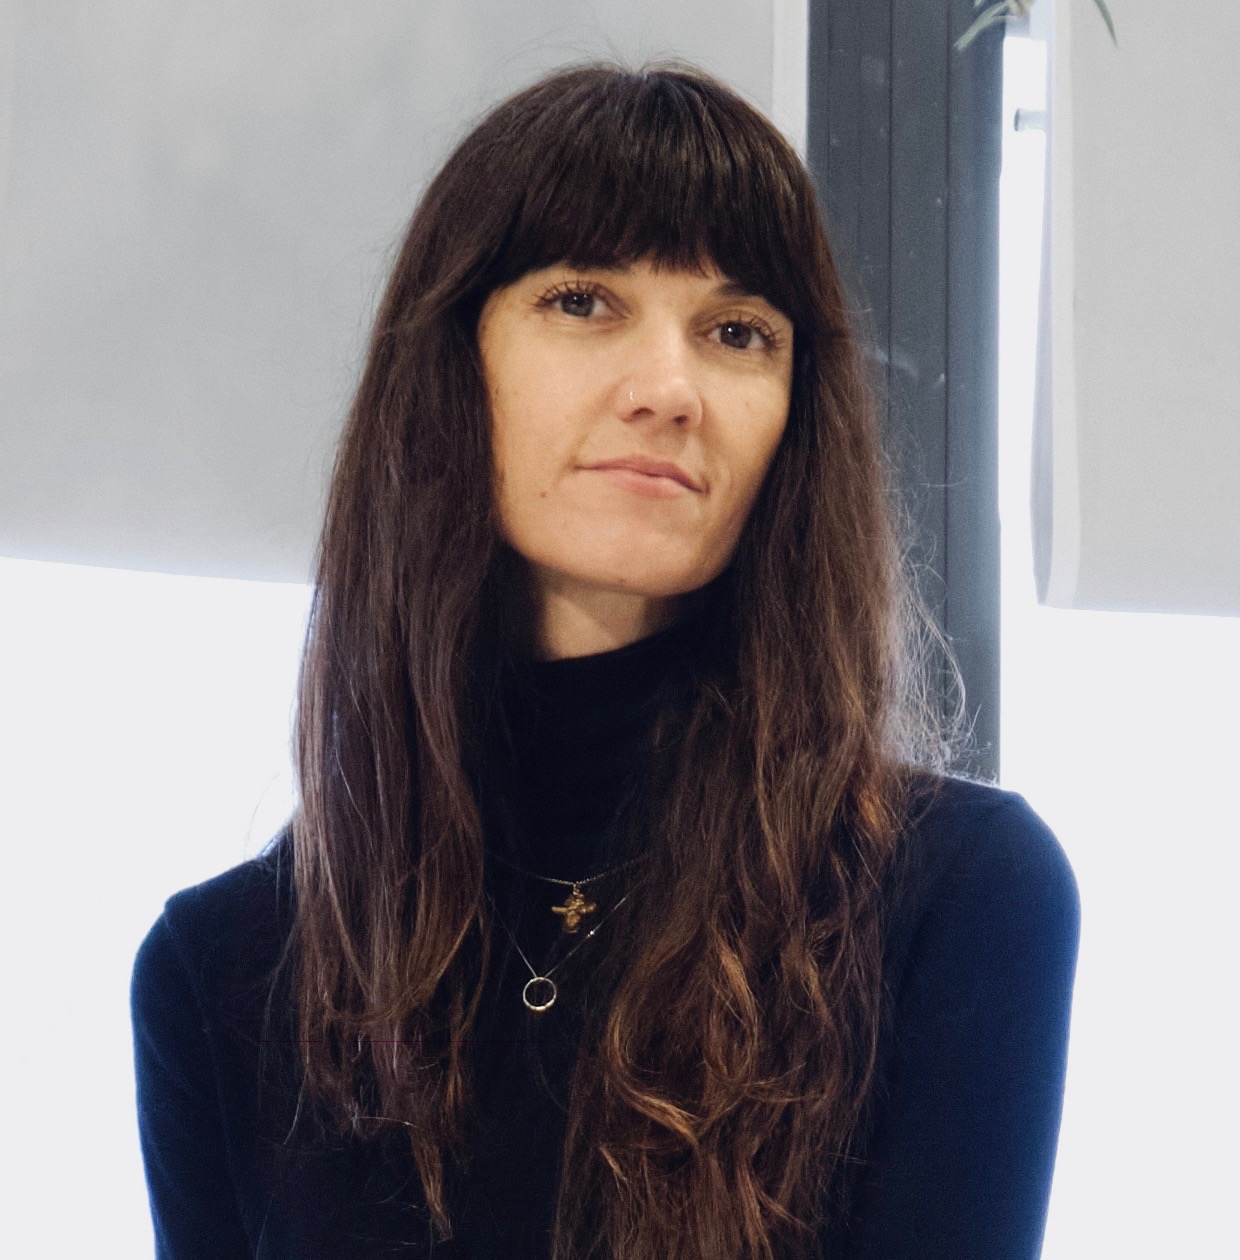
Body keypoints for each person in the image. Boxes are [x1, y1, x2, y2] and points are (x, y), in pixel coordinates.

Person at [130, 61, 1080, 1260]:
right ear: (451, 365)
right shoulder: (223, 970)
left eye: (738, 332)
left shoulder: (954, 897)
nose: (668, 391)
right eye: (583, 301)